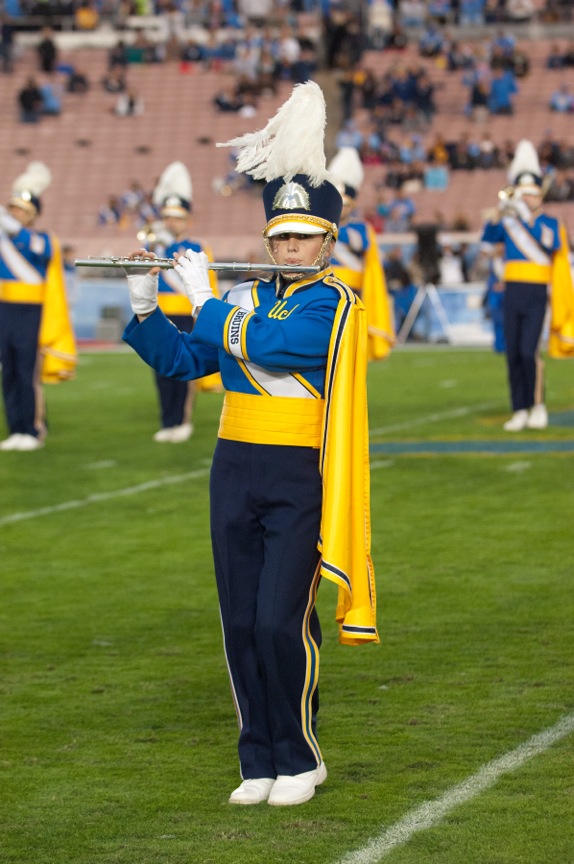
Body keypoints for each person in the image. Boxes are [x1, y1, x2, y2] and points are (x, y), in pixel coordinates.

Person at [122, 81, 378, 806]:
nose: (291, 246)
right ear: (268, 239)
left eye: (303, 237)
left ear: (328, 240)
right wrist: (147, 309)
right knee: (240, 621)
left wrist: (202, 300)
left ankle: (299, 757)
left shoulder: (336, 302)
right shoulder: (243, 296)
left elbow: (276, 345)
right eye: (281, 237)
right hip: (234, 467)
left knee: (278, 619)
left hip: (299, 473)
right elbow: (182, 362)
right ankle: (259, 759)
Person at [481, 140, 574, 431]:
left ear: (540, 196)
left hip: (536, 292)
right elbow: (486, 244)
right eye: (523, 195)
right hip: (512, 291)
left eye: (531, 195)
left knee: (528, 352)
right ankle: (519, 409)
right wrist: (500, 212)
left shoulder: (549, 222)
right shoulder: (509, 222)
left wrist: (522, 216)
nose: (527, 199)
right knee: (512, 354)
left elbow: (549, 245)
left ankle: (538, 405)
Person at [0, 162, 77, 451]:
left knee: (26, 371)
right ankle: (16, 428)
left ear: (32, 213)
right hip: (5, 310)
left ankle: (32, 429)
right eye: (12, 208)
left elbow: (40, 249)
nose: (13, 213)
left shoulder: (42, 238)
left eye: (19, 209)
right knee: (8, 372)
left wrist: (11, 228)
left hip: (32, 313)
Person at [144, 161, 219, 443]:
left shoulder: (196, 247)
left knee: (185, 370)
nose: (171, 222)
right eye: (167, 217)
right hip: (161, 315)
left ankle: (183, 421)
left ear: (187, 219)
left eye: (176, 217)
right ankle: (168, 421)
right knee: (162, 370)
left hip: (186, 315)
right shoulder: (156, 246)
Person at [327, 146, 395, 360]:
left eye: (345, 204)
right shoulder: (321, 226)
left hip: (352, 292)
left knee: (350, 346)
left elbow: (359, 245)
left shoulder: (360, 228)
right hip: (325, 289)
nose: (341, 208)